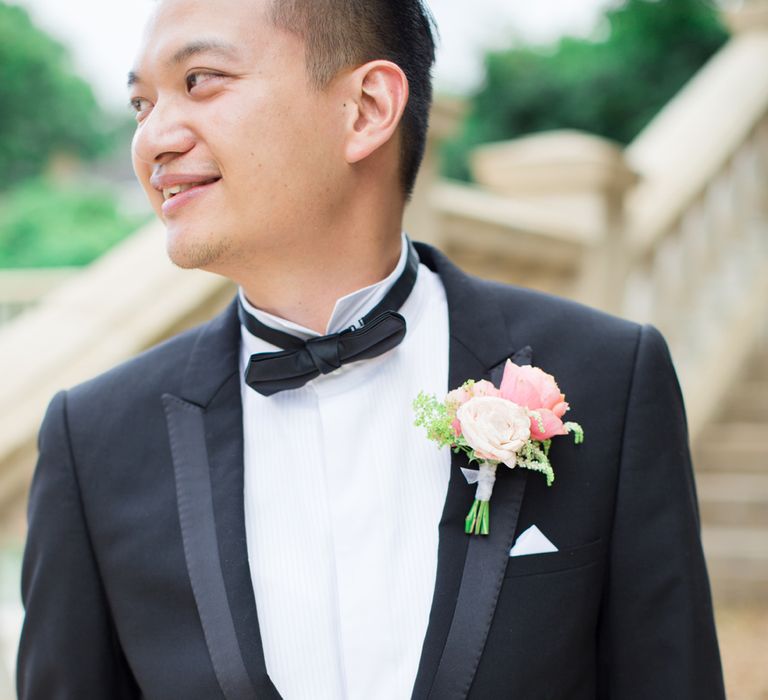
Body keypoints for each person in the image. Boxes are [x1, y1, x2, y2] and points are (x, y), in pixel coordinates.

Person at [17, 0, 726, 698]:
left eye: (200, 80)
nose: (154, 140)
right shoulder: (95, 440)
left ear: (366, 109)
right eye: (142, 104)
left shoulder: (609, 378)